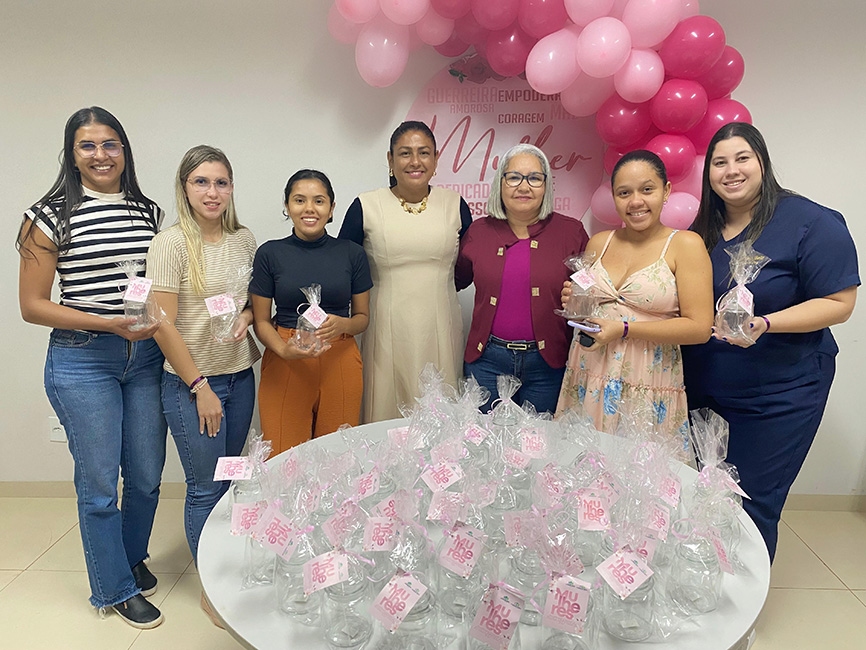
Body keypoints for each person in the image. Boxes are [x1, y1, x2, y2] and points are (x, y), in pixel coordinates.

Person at [17, 107, 166, 628]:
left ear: (124, 150)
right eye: (87, 145)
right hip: (83, 359)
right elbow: (32, 305)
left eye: (110, 144)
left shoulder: (147, 211)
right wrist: (107, 324)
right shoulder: (47, 216)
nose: (100, 155)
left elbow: (158, 287)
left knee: (146, 475)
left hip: (144, 357)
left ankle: (130, 557)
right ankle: (114, 588)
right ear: (72, 153)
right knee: (100, 484)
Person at [682, 122, 859, 562]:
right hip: (704, 389)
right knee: (704, 492)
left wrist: (765, 323)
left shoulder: (810, 222)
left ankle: (744, 596)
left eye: (742, 158)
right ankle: (705, 586)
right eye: (719, 162)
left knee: (750, 501)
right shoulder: (700, 230)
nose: (731, 170)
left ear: (762, 161)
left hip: (780, 393)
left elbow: (839, 302)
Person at [146, 145, 260, 572]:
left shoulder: (244, 239)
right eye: (201, 182)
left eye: (221, 183)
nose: (212, 193)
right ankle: (211, 584)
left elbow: (254, 302)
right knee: (205, 488)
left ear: (231, 188)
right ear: (184, 187)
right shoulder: (171, 243)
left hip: (240, 377)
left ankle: (230, 569)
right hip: (192, 385)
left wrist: (246, 316)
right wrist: (199, 386)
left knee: (231, 479)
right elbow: (162, 325)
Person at [557, 150, 713, 448]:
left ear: (666, 191)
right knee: (582, 462)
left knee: (639, 468)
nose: (636, 201)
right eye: (624, 193)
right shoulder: (600, 242)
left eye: (647, 189)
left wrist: (625, 329)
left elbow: (699, 328)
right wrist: (574, 302)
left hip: (647, 379)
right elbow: (587, 309)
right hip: (590, 372)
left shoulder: (685, 245)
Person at [338, 120, 472, 422]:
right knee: (385, 410)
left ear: (436, 159)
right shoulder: (366, 206)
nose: (415, 161)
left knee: (440, 413)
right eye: (404, 153)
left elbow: (468, 268)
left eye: (424, 153)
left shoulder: (455, 205)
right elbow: (343, 269)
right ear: (390, 159)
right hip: (385, 326)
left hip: (441, 323)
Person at [455, 144, 589, 413]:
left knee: (539, 439)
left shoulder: (571, 232)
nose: (524, 187)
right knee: (484, 437)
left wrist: (581, 299)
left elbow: (592, 293)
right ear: (500, 183)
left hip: (547, 365)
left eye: (534, 178)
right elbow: (454, 281)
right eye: (514, 177)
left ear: (546, 185)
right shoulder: (478, 232)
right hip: (486, 362)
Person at [250, 169, 372, 454]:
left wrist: (343, 324)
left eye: (319, 201)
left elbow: (362, 318)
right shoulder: (270, 253)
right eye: (299, 200)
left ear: (331, 207)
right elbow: (261, 321)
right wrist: (284, 349)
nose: (309, 209)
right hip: (286, 357)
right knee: (283, 456)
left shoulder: (352, 253)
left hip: (340, 357)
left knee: (338, 457)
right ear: (287, 206)